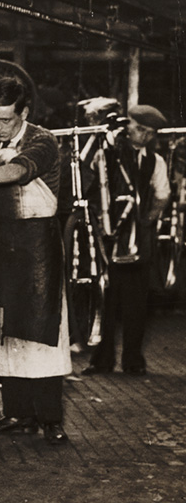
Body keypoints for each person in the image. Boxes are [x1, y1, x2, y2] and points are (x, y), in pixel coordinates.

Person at [0, 77, 71, 445]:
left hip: (37, 245)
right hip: (1, 241)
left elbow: (20, 171)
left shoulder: (43, 141)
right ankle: (17, 413)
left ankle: (50, 418)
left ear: (24, 112)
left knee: (42, 333)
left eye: (5, 119)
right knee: (4, 331)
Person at [83, 104, 171, 376]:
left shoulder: (155, 161)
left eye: (149, 133)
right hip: (106, 239)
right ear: (127, 125)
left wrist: (146, 221)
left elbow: (162, 194)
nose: (143, 136)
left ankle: (133, 361)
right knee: (104, 299)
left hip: (137, 244)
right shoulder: (106, 152)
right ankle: (102, 360)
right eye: (140, 129)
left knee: (136, 303)